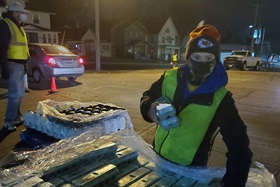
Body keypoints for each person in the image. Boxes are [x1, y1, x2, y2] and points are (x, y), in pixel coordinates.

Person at [140, 24, 253, 187]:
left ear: (216, 61)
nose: (202, 64)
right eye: (197, 57)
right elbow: (148, 96)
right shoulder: (169, 78)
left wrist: (232, 183)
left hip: (190, 173)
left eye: (208, 59)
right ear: (188, 57)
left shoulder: (221, 99)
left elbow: (240, 148)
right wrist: (149, 110)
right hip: (158, 159)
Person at [0, 2, 29, 135]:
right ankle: (9, 121)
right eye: (22, 13)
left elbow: (23, 48)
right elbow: (2, 47)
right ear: (15, 13)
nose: (23, 16)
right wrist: (4, 66)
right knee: (14, 95)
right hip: (12, 64)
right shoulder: (5, 24)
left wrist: (25, 64)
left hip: (20, 65)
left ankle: (16, 117)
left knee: (20, 94)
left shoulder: (19, 27)